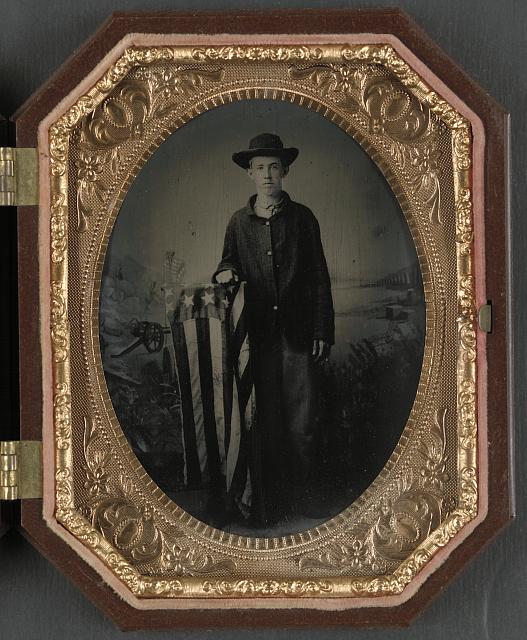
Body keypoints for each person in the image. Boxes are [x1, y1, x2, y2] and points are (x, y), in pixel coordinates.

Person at [213, 132, 334, 527]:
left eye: (274, 167)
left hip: (298, 337)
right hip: (258, 340)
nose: (267, 175)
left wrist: (321, 330)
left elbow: (319, 278)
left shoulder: (303, 218)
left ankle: (306, 498)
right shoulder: (238, 222)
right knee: (266, 422)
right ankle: (273, 502)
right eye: (259, 168)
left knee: (303, 422)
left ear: (285, 171)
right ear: (249, 174)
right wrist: (226, 273)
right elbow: (226, 264)